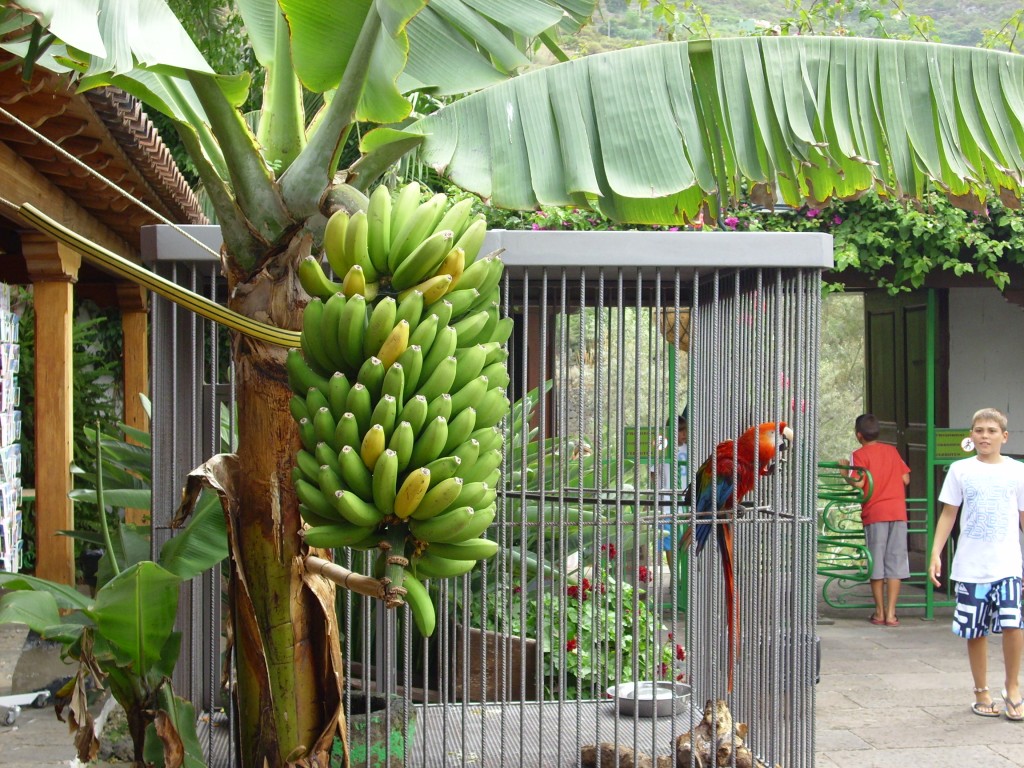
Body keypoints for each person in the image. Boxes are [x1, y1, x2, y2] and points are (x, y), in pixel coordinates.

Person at [928, 407, 1024, 721]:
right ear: (971, 435)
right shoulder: (960, 470)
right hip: (971, 565)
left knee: (1013, 624)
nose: (985, 435)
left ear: (1004, 437)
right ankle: (981, 690)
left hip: (1008, 563)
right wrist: (935, 552)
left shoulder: (1016, 471)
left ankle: (1013, 687)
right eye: (979, 430)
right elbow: (948, 514)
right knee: (976, 630)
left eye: (991, 431)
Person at [838, 413, 911, 628]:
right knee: (896, 562)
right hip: (897, 512)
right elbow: (905, 478)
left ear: (858, 435)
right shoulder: (891, 451)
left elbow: (860, 484)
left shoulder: (858, 455)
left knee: (876, 562)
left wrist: (844, 473)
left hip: (875, 513)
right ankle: (891, 614)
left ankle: (879, 612)